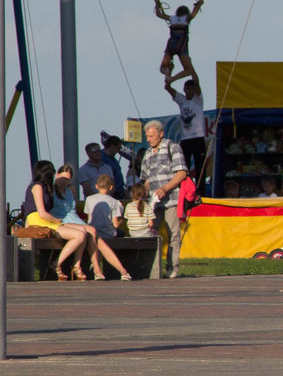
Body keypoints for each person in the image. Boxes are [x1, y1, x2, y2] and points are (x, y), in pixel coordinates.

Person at [53, 165, 131, 280]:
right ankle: (96, 269)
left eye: (67, 179)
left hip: (73, 220)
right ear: (57, 175)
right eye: (62, 178)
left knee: (95, 235)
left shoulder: (69, 190)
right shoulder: (52, 190)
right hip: (61, 219)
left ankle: (109, 270)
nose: (64, 181)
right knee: (92, 232)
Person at [22, 160, 92, 281]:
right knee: (79, 235)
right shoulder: (37, 186)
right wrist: (56, 221)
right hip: (38, 221)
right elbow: (42, 213)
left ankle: (76, 265)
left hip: (46, 220)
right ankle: (56, 264)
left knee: (83, 231)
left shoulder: (44, 187)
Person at [140, 119, 190, 278]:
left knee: (173, 234)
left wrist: (165, 188)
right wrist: (141, 192)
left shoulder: (172, 147)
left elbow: (181, 173)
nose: (148, 139)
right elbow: (146, 179)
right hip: (154, 203)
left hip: (171, 200)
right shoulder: (147, 153)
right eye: (147, 136)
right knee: (150, 232)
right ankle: (151, 268)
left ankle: (172, 268)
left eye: (151, 136)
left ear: (161, 134)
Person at [164, 69, 207, 180]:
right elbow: (167, 87)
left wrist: (190, 68)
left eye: (192, 89)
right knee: (183, 167)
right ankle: (186, 189)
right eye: (188, 89)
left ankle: (200, 192)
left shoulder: (197, 99)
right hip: (186, 139)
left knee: (200, 167)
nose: (190, 91)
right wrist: (169, 74)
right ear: (184, 89)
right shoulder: (182, 100)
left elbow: (196, 82)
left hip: (198, 138)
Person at [155, 0, 203, 80]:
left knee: (162, 68)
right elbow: (193, 14)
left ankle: (167, 72)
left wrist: (157, 4)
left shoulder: (172, 18)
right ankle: (172, 79)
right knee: (188, 70)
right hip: (182, 45)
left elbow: (158, 14)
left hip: (171, 45)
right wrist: (199, 5)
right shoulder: (186, 19)